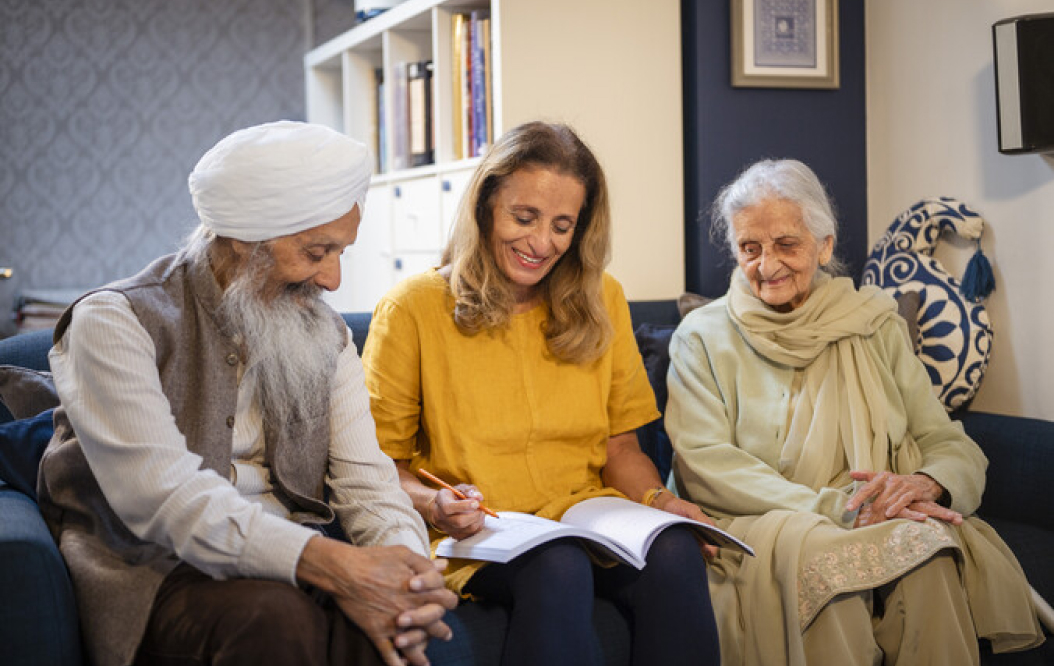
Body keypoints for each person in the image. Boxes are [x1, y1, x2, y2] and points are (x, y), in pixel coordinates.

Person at [36, 121, 458, 666]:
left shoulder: (327, 335)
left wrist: (405, 571)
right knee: (276, 616)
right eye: (316, 252)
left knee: (386, 625)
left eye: (340, 253)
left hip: (304, 561)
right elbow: (165, 498)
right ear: (243, 238)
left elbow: (367, 481)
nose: (332, 279)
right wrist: (334, 565)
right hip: (158, 571)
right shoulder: (113, 321)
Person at [361, 121, 720, 666]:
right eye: (523, 217)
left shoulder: (603, 297)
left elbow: (621, 449)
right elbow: (377, 467)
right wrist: (435, 502)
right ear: (486, 205)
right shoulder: (412, 308)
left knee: (674, 552)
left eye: (561, 226)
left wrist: (665, 504)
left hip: (586, 514)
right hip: (482, 529)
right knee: (559, 564)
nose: (540, 243)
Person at [665, 158, 1046, 666]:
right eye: (749, 248)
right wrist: (838, 509)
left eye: (786, 244)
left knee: (927, 550)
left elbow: (947, 441)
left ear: (823, 245)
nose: (767, 264)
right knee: (829, 558)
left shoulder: (874, 324)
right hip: (762, 522)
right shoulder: (701, 337)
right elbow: (705, 464)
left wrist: (927, 484)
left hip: (877, 515)